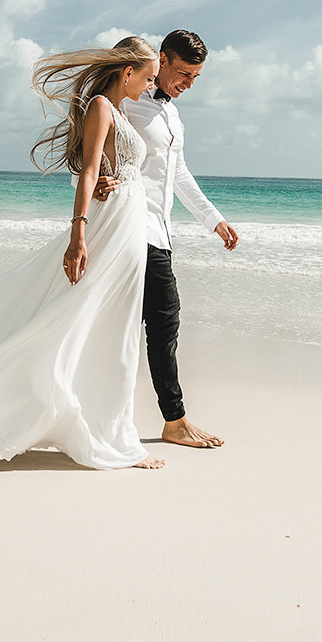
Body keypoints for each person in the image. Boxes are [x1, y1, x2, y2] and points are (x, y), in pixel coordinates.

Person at [0, 37, 166, 470]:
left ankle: (109, 428)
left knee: (115, 328)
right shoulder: (100, 106)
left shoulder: (122, 111)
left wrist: (111, 181)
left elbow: (107, 167)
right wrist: (78, 232)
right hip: (110, 228)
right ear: (127, 71)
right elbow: (90, 169)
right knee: (78, 319)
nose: (151, 86)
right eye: (148, 77)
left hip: (129, 225)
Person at [112, 29, 240, 448]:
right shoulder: (126, 100)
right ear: (161, 60)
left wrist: (212, 219)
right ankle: (175, 420)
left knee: (143, 324)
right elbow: (88, 142)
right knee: (165, 320)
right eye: (183, 73)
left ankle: (146, 417)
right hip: (132, 226)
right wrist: (93, 181)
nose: (187, 84)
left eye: (196, 77)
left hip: (160, 232)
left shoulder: (173, 116)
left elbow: (177, 172)